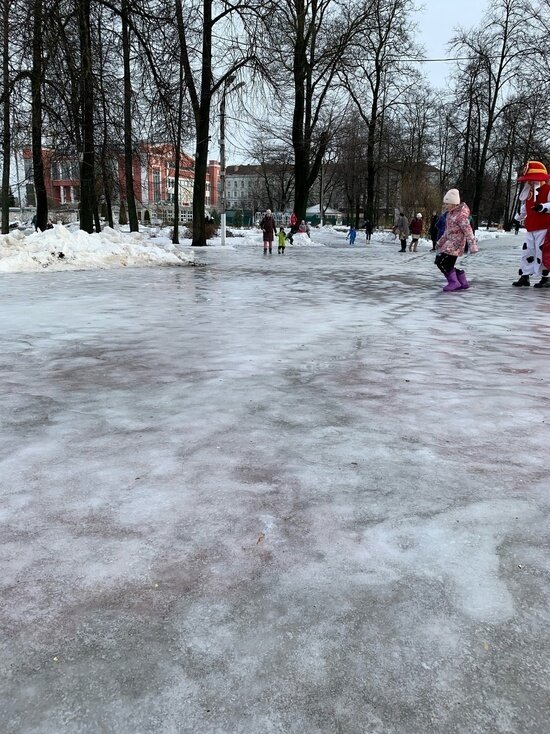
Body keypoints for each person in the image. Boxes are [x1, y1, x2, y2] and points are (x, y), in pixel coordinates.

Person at [512, 160, 550, 288]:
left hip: (544, 227)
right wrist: (517, 219)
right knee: (527, 252)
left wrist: (543, 207)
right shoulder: (529, 193)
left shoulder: (548, 190)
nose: (529, 182)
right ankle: (525, 276)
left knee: (542, 252)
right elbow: (525, 208)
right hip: (531, 227)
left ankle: (546, 277)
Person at [435, 188, 478, 292]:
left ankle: (454, 282)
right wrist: (439, 242)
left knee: (441, 262)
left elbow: (468, 231)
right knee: (444, 263)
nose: (445, 206)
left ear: (454, 204)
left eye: (447, 204)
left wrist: (473, 245)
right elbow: (447, 232)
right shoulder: (450, 215)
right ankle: (461, 281)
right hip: (450, 243)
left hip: (456, 245)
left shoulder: (460, 216)